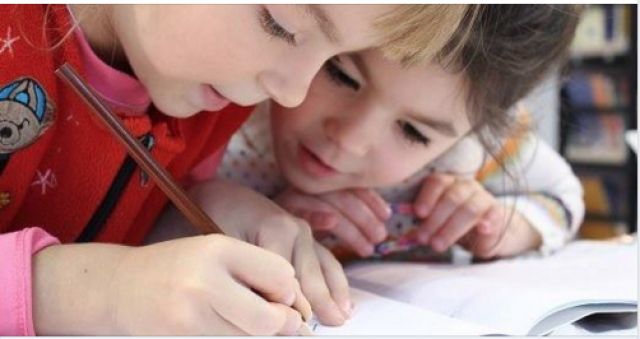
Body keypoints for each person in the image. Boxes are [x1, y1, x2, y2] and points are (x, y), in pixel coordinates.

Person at [0, 4, 472, 335]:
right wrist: (105, 291)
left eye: (331, 59)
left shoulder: (209, 97)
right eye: (281, 25)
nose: (291, 93)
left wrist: (196, 210)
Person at [206, 4, 585, 261]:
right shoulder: (223, 106)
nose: (350, 139)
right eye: (341, 75)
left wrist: (510, 225)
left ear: (474, 132)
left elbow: (563, 195)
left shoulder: (464, 155)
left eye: (413, 132)